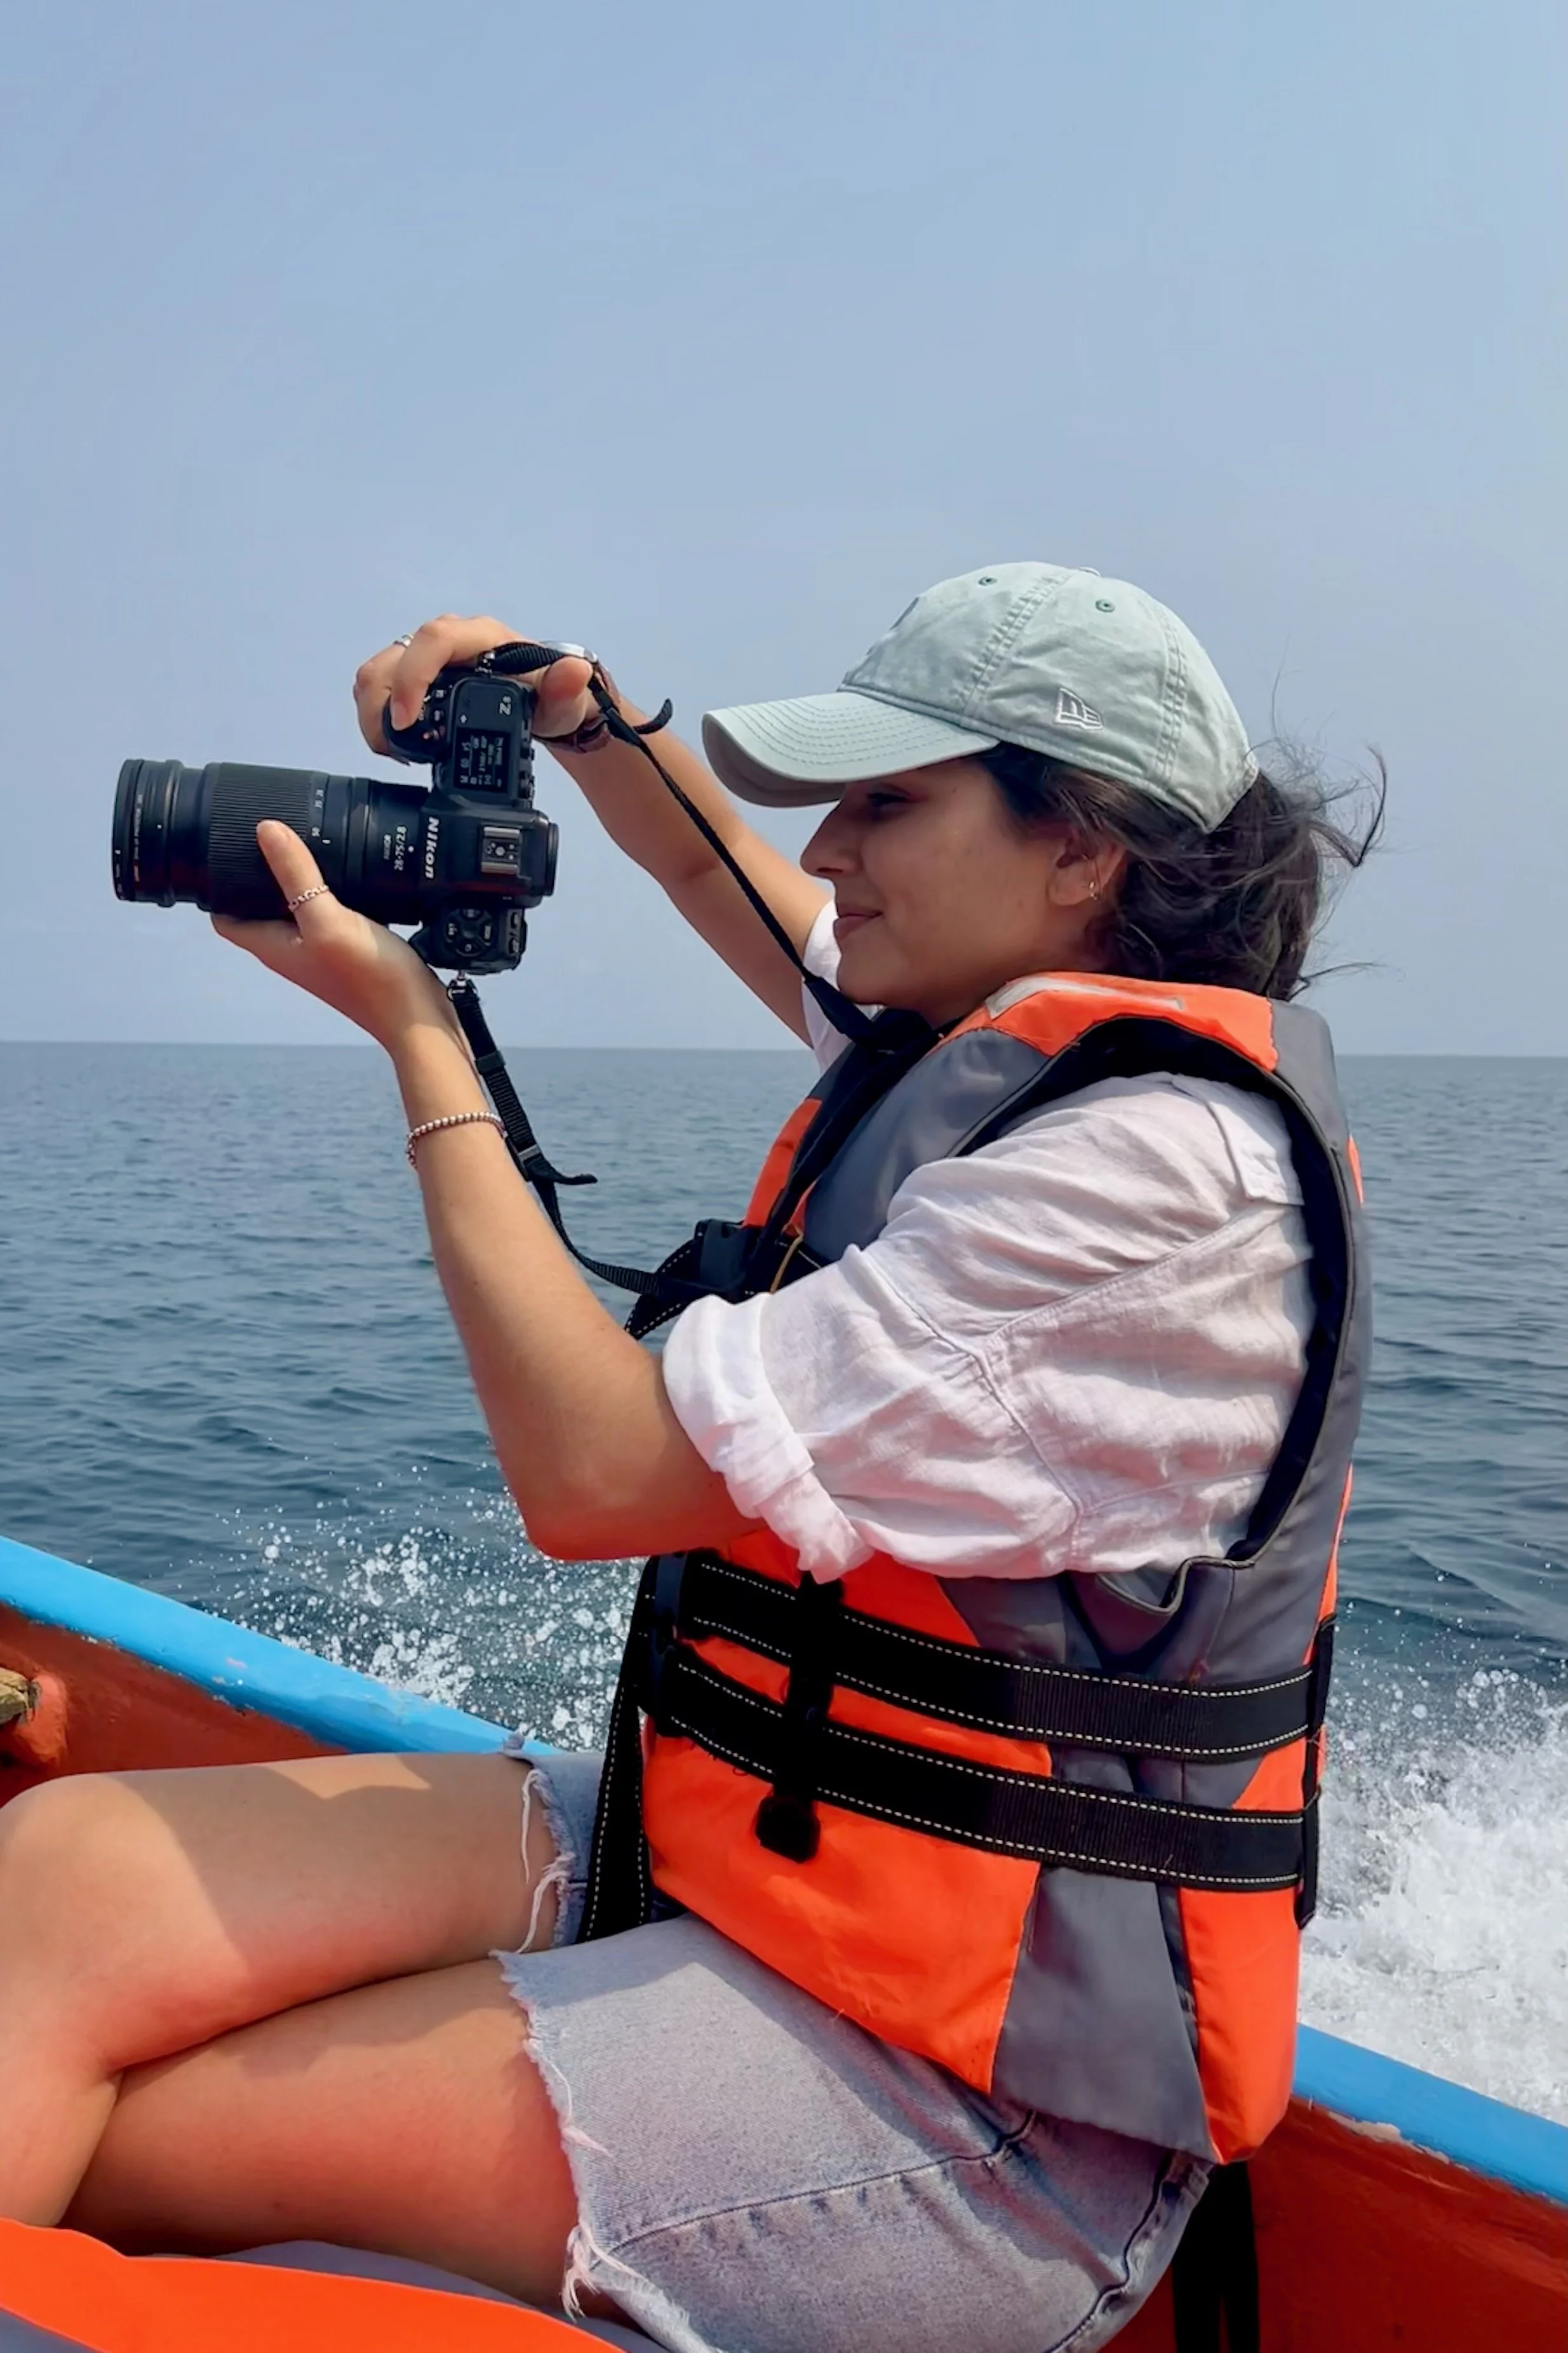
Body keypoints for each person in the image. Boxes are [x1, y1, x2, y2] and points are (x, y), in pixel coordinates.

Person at [0, 564, 1374, 2353]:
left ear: (1080, 849)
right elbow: (714, 878)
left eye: (887, 805)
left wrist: (418, 1032)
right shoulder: (988, 1049)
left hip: (984, 2113)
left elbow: (591, 1470)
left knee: (152, 2140)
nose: (826, 854)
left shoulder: (1155, 1187)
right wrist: (586, 727)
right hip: (767, 1856)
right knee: (65, 1875)